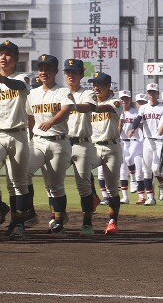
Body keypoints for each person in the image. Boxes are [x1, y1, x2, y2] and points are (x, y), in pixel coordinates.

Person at [26, 54, 74, 238]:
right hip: (37, 141)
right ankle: (29, 213)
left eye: (48, 68)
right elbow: (30, 117)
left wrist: (51, 121)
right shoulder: (33, 93)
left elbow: (66, 110)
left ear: (55, 71)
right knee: (24, 174)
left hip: (58, 142)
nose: (43, 72)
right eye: (41, 68)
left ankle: (58, 223)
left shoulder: (62, 92)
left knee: (55, 187)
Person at [0, 40, 30, 240]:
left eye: (8, 54)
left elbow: (18, 85)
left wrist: (2, 80)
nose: (3, 57)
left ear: (16, 58)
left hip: (19, 134)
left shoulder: (23, 77)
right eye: (1, 54)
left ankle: (18, 223)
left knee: (18, 184)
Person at [63, 58, 99, 237]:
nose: (71, 75)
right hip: (62, 142)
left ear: (81, 75)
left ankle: (87, 222)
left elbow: (89, 107)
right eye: (68, 72)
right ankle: (59, 216)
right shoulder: (59, 92)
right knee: (52, 182)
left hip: (82, 144)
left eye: (74, 72)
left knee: (83, 185)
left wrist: (71, 106)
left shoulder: (87, 93)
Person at [89, 72, 123, 234]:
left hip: (111, 148)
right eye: (94, 84)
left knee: (111, 189)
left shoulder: (115, 101)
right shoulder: (89, 102)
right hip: (94, 146)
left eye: (100, 84)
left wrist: (89, 106)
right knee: (81, 168)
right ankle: (94, 196)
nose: (96, 87)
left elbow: (107, 108)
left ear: (109, 86)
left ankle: (112, 221)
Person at [129, 83, 163, 206]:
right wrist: (133, 128)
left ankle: (161, 184)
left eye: (154, 92)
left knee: (156, 169)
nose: (151, 94)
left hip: (160, 140)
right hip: (147, 140)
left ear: (158, 93)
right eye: (149, 92)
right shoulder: (143, 107)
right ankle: (150, 197)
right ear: (147, 94)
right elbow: (138, 119)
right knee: (146, 170)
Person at [118, 90, 143, 205]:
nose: (124, 101)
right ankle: (125, 197)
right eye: (122, 99)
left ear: (130, 100)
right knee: (122, 171)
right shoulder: (118, 112)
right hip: (123, 141)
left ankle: (133, 179)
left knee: (129, 159)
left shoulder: (135, 112)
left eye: (126, 98)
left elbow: (141, 126)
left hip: (135, 140)